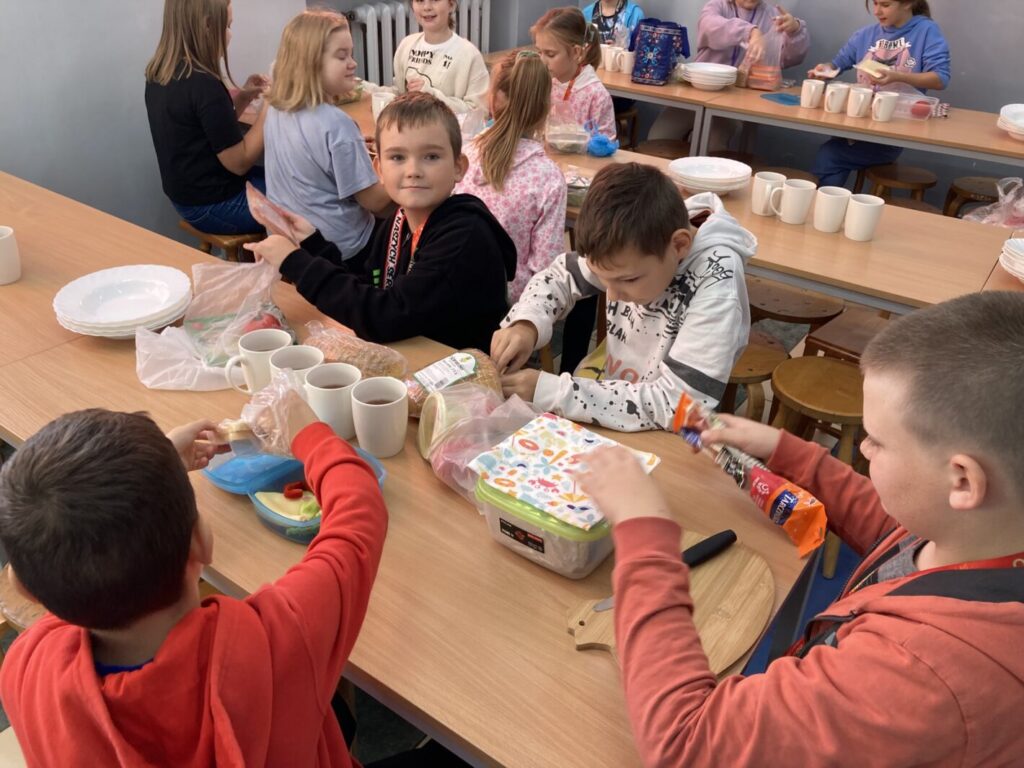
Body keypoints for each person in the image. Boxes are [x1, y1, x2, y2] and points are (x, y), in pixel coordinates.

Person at [577, 291, 1024, 767]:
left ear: (962, 481)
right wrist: (784, 450)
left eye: (877, 440)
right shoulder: (980, 532)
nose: (863, 448)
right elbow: (895, 533)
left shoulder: (922, 674)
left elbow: (687, 744)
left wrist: (644, 534)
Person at [0, 398, 388, 766]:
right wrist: (308, 431)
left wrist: (160, 464)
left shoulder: (26, 667)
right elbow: (358, 517)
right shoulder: (278, 642)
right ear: (203, 542)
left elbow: (48, 574)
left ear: (29, 591)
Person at [492, 162, 755, 432]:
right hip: (619, 402)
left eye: (628, 280)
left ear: (679, 245)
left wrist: (553, 392)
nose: (613, 295)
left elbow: (680, 406)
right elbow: (562, 275)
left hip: (673, 429)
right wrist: (527, 323)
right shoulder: (636, 248)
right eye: (603, 278)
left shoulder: (717, 285)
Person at [246, 92, 516, 352]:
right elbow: (369, 289)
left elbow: (384, 317)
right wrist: (312, 243)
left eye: (431, 157)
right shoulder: (397, 221)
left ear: (458, 167)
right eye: (398, 157)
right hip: (414, 356)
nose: (413, 171)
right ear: (379, 170)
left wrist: (295, 262)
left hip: (460, 372)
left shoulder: (464, 236)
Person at [264, 10, 392, 263]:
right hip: (338, 249)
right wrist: (397, 165)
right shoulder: (337, 124)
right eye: (342, 56)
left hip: (285, 241)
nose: (353, 63)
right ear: (310, 63)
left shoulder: (277, 109)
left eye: (351, 54)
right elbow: (374, 202)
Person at [144, 0, 269, 234]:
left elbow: (208, 129)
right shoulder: (204, 84)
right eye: (228, 25)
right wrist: (268, 109)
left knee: (281, 178)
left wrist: (243, 97)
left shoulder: (161, 73)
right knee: (299, 196)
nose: (230, 34)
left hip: (187, 199)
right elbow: (240, 163)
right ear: (208, 25)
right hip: (214, 204)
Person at [454, 50, 567, 303]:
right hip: (509, 304)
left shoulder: (464, 156)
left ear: (492, 100)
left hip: (452, 287)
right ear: (545, 108)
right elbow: (545, 269)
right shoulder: (549, 178)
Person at [809, 0, 950, 188]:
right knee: (832, 151)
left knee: (830, 155)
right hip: (858, 126)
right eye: (874, 3)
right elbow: (837, 64)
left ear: (908, 3)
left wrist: (897, 76)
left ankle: (826, 203)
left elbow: (940, 78)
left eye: (885, 5)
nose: (877, 11)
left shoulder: (926, 31)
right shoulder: (866, 35)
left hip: (890, 133)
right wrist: (824, 70)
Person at [532, 7, 616, 141]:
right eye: (539, 52)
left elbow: (605, 146)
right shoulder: (544, 83)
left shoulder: (596, 96)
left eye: (550, 54)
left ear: (576, 52)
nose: (542, 61)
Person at [393, 0, 489, 114]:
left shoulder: (469, 55)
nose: (427, 7)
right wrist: (375, 92)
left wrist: (432, 96)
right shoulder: (406, 45)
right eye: (419, 0)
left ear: (451, 4)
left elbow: (479, 112)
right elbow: (399, 92)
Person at [695, 0, 809, 69]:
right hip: (706, 82)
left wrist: (795, 32)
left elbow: (787, 60)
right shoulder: (717, 5)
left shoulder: (772, 15)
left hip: (746, 91)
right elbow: (708, 25)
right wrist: (750, 31)